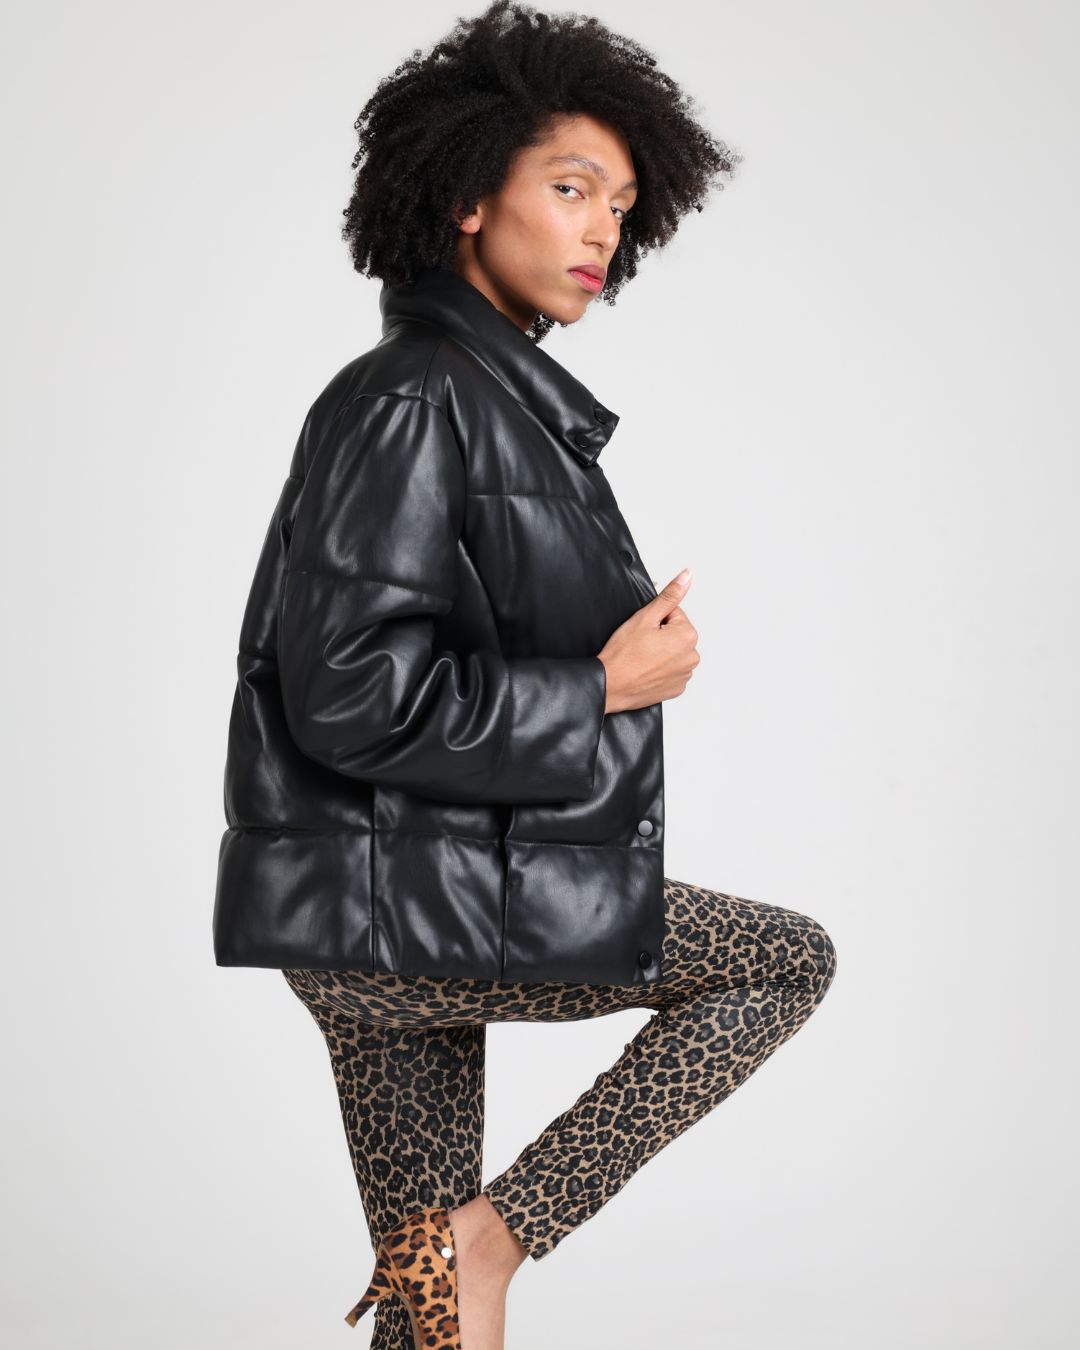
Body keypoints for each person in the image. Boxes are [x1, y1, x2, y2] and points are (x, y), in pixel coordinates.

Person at [211, 3, 838, 1347]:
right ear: (464, 198)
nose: (601, 227)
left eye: (620, 204)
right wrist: (601, 687)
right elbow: (349, 693)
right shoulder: (414, 398)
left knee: (428, 1316)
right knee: (784, 964)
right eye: (569, 188)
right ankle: (490, 1240)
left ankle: (455, 1262)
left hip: (396, 889)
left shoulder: (493, 403)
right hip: (395, 904)